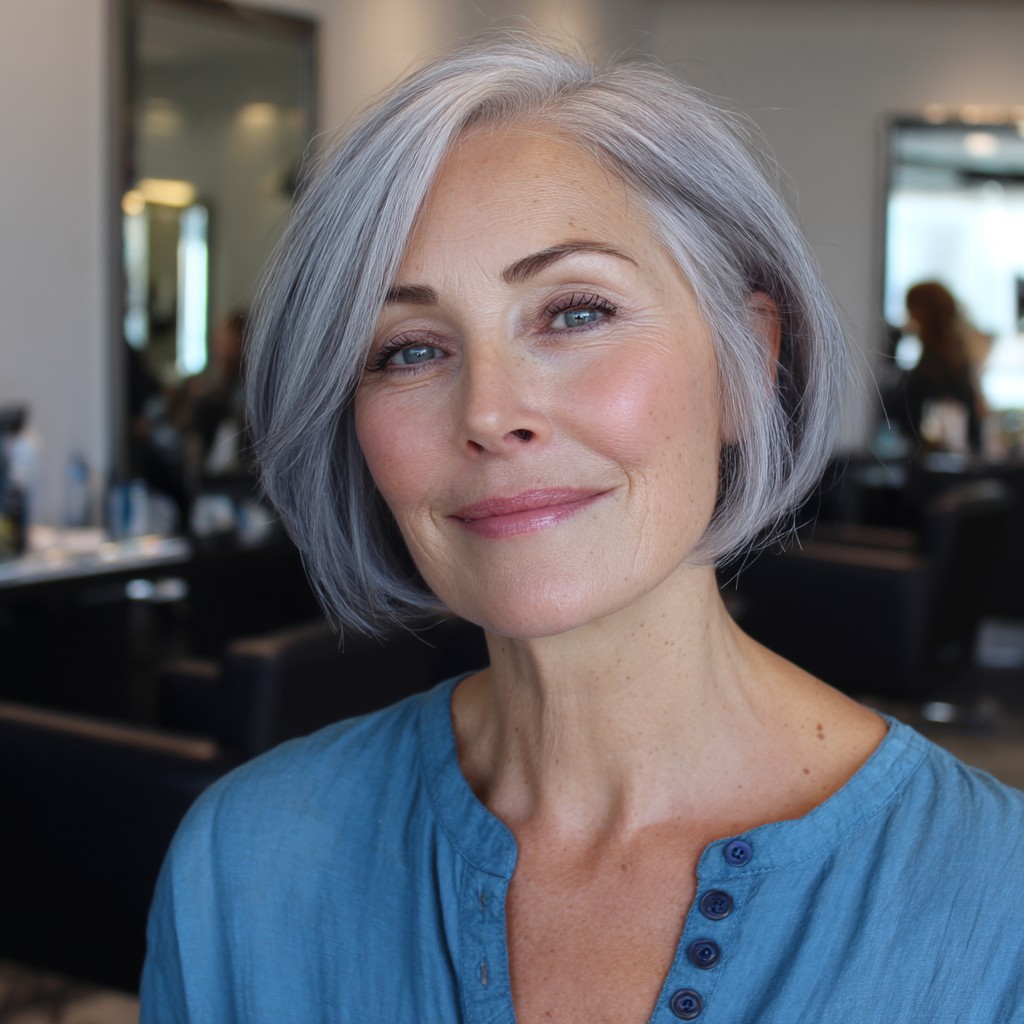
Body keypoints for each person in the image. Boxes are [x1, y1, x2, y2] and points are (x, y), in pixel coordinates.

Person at [140, 36, 1024, 1022]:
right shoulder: (244, 867)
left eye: (574, 313)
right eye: (410, 349)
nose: (489, 412)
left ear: (746, 363)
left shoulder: (998, 905)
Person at [901, 280, 987, 454]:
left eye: (910, 311)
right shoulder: (958, 363)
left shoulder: (931, 371)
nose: (907, 319)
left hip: (933, 464)